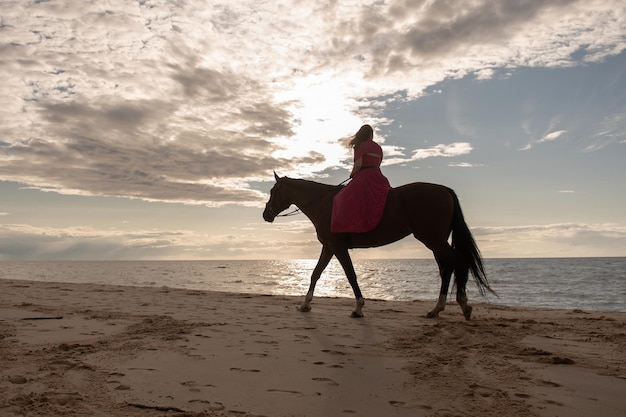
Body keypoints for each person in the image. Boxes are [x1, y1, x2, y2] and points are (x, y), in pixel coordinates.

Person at [331, 124, 391, 233]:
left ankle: (346, 229)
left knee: (340, 198)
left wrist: (352, 174)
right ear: (371, 134)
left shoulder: (360, 145)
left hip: (365, 176)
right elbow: (378, 163)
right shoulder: (378, 147)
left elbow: (358, 165)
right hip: (378, 176)